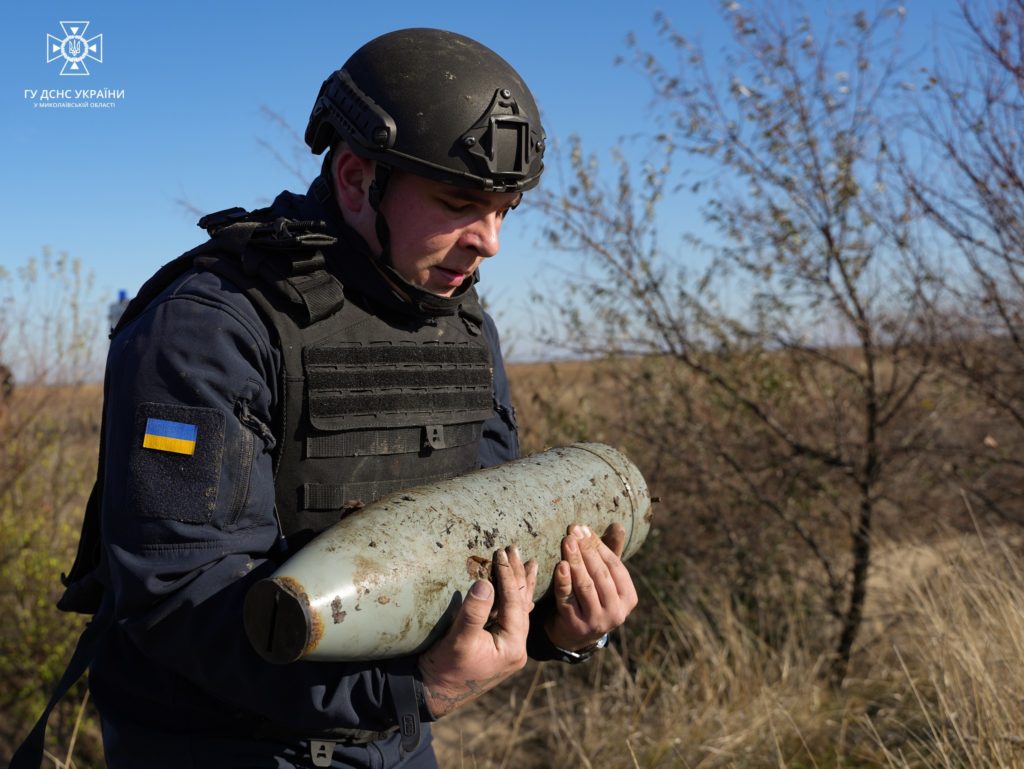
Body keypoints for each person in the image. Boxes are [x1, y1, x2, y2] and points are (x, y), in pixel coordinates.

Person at [21, 27, 638, 769]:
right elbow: (176, 594)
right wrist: (410, 689)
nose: (490, 242)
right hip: (214, 746)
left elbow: (493, 541)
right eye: (458, 202)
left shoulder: (461, 322)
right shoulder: (209, 325)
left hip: (396, 737)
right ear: (355, 177)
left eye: (505, 209)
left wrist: (560, 628)